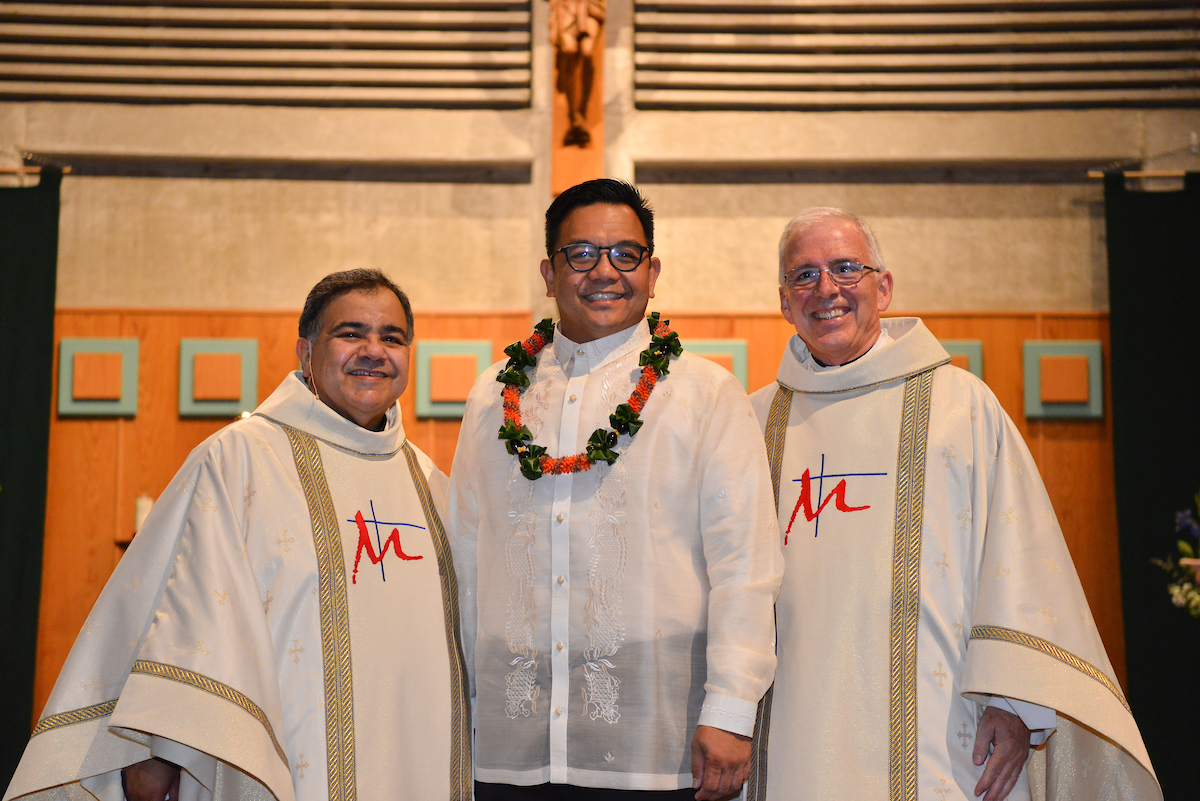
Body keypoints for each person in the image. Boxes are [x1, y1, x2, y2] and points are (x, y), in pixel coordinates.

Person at [5, 269, 472, 801]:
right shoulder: (240, 460)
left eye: (392, 338)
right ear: (305, 351)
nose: (374, 351)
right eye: (351, 333)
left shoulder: (432, 486)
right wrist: (157, 752)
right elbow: (188, 615)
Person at [746, 208, 1161, 801]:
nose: (826, 290)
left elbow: (1019, 556)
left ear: (883, 287)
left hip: (940, 735)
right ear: (784, 302)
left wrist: (1013, 703)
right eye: (803, 276)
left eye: (845, 268)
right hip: (788, 737)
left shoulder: (961, 408)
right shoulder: (757, 421)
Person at [449, 179, 782, 801]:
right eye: (581, 254)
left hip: (655, 744)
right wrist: (466, 703)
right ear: (549, 272)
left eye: (625, 255)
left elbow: (746, 565)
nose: (605, 271)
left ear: (652, 272)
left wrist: (732, 711)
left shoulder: (704, 393)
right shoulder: (493, 395)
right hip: (509, 744)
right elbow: (467, 554)